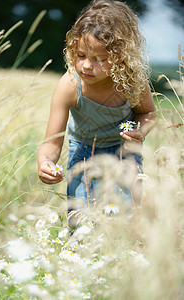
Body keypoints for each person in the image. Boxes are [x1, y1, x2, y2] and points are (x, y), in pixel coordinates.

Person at [37, 0, 155, 216]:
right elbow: (52, 143)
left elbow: (147, 112)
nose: (87, 65)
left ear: (121, 58)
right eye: (80, 55)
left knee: (127, 217)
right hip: (83, 153)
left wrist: (139, 131)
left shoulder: (132, 82)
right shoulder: (70, 85)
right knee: (82, 218)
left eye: (99, 59)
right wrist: (45, 161)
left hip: (124, 152)